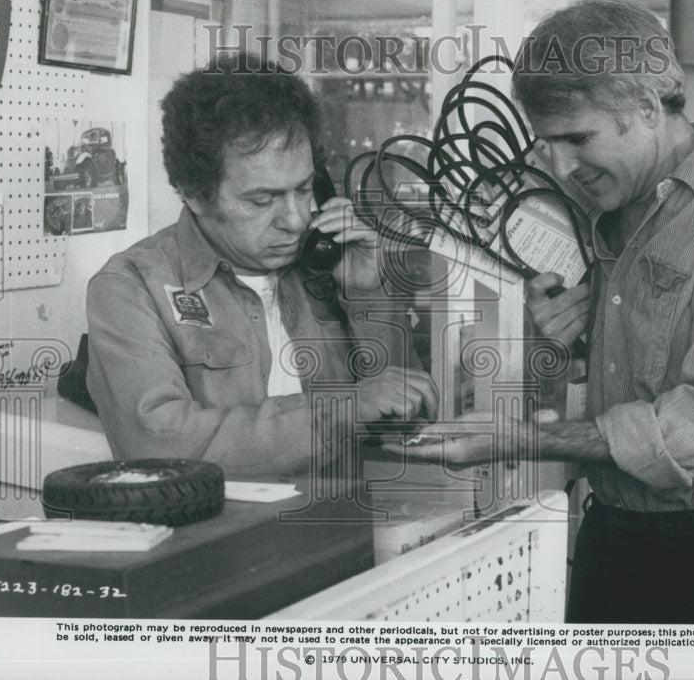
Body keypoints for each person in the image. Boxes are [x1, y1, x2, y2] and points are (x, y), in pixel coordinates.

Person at [398, 0, 694, 624]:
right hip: (614, 534)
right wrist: (572, 344)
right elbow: (631, 377)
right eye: (548, 146)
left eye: (578, 139)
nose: (564, 166)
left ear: (647, 108)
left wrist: (517, 440)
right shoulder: (616, 212)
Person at [86, 57, 437, 481]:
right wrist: (340, 411)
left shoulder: (331, 263)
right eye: (262, 200)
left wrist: (368, 296)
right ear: (195, 195)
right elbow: (161, 447)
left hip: (345, 524)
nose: (294, 219)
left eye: (304, 189)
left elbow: (407, 418)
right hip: (221, 539)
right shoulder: (130, 288)